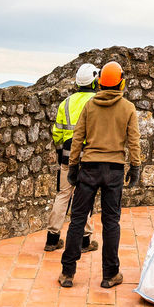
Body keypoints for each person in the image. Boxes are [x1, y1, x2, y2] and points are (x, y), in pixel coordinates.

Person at [60, 61, 142, 290]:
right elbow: (134, 141)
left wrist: (73, 166)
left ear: (100, 83)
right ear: (121, 83)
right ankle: (110, 274)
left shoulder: (90, 106)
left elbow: (78, 138)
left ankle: (67, 272)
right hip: (114, 170)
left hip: (89, 168)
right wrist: (135, 167)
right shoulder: (128, 108)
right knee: (111, 222)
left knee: (78, 220)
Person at [45, 62, 100, 253]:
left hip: (68, 155)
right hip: (90, 155)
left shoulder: (66, 103)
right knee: (85, 195)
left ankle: (52, 239)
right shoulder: (97, 101)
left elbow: (57, 133)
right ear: (94, 81)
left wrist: (61, 152)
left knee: (63, 195)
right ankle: (85, 241)